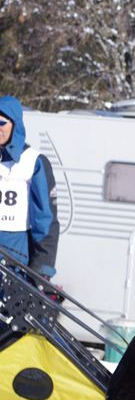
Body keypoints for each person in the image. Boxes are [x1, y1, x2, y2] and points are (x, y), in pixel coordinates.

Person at [0, 96, 55, 275]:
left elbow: (45, 220)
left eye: (2, 123)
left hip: (14, 256)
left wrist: (43, 266)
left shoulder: (34, 162)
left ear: (14, 124)